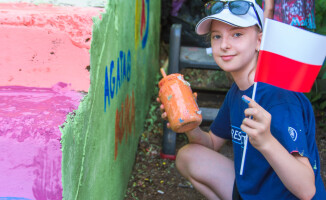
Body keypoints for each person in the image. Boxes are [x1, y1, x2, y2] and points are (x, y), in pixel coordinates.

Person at [158, 0, 326, 199]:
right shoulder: (238, 91)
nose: (224, 45)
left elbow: (307, 190)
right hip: (252, 189)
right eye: (217, 36)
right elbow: (211, 144)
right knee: (188, 156)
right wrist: (191, 124)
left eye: (237, 34)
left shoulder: (280, 97)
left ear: (259, 41)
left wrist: (266, 141)